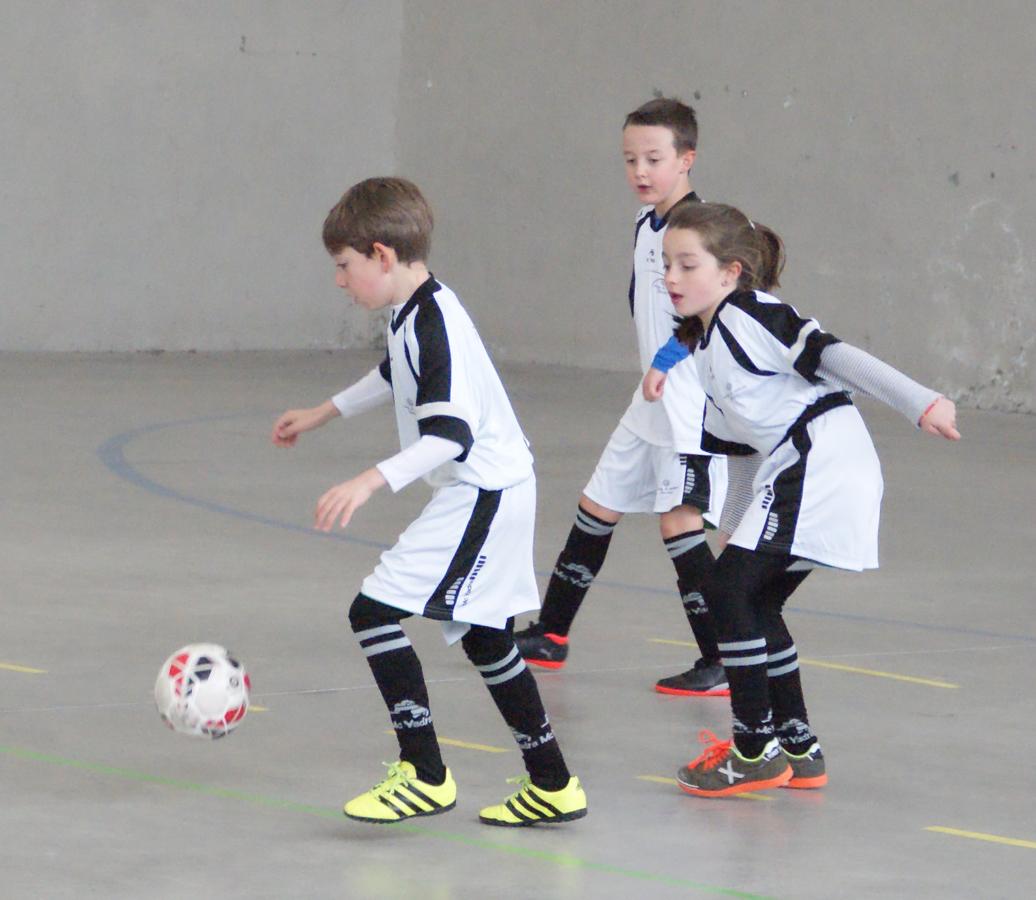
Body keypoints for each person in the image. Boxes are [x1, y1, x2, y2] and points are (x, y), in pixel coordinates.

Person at [272, 177, 587, 826]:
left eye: (344, 266)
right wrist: (321, 413)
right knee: (485, 638)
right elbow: (394, 372)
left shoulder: (434, 324)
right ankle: (553, 784)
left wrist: (368, 480)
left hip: (482, 492)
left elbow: (451, 434)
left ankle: (423, 773)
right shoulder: (416, 311)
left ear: (381, 256)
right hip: (496, 487)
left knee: (373, 612)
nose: (339, 281)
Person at [641, 201, 959, 797]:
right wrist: (734, 532)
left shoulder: (752, 313)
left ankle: (753, 749)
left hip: (819, 464)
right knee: (753, 602)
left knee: (726, 591)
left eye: (687, 265)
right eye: (667, 265)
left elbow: (838, 356)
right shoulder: (710, 347)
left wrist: (921, 402)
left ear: (731, 272)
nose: (671, 278)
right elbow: (741, 457)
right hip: (809, 470)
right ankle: (799, 749)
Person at [515, 97, 729, 697]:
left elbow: (719, 310)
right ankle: (552, 634)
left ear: (686, 159)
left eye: (654, 158)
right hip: (650, 400)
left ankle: (723, 659)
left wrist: (667, 357)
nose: (640, 170)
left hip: (688, 402)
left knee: (680, 523)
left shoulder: (701, 229)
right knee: (598, 503)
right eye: (631, 159)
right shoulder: (648, 223)